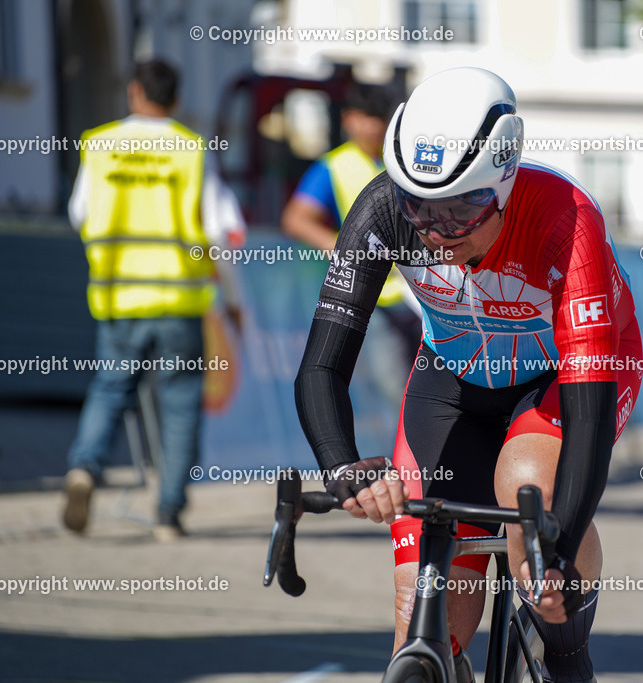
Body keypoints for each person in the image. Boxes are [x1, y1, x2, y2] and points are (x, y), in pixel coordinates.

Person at [295, 67, 643, 682]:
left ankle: (566, 659)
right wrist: (342, 467)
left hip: (561, 378)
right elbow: (322, 367)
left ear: (504, 187)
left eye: (462, 209)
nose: (435, 230)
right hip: (453, 379)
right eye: (419, 206)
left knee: (526, 492)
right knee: (418, 613)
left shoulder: (566, 219)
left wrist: (557, 554)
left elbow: (588, 417)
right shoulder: (382, 210)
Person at [63, 59, 245, 541]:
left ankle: (84, 468)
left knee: (109, 389)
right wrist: (231, 297)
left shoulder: (100, 145)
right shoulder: (190, 149)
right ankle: (168, 513)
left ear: (133, 92)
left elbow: (80, 213)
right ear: (176, 99)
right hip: (179, 301)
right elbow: (216, 231)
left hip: (119, 297)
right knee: (181, 404)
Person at [282, 83, 421, 411]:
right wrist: (342, 247)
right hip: (374, 298)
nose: (373, 126)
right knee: (395, 390)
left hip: (421, 293)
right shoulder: (333, 166)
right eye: (366, 118)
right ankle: (410, 460)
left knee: (431, 385)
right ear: (349, 120)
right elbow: (296, 218)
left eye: (379, 118)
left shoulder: (408, 160)